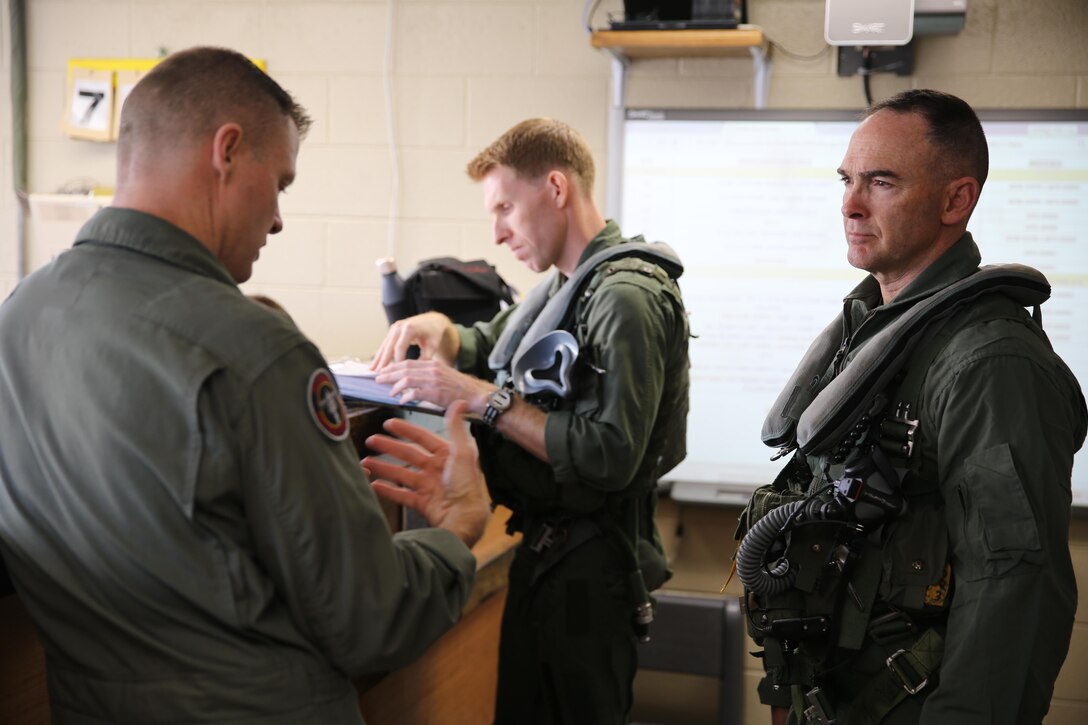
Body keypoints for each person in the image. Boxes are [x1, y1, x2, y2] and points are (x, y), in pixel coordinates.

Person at [0, 46, 491, 724]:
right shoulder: (254, 351)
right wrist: (456, 528)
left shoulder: (19, 316)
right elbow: (369, 616)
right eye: (281, 182)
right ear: (227, 150)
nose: (280, 218)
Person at [736, 89, 1086, 725]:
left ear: (957, 199)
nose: (849, 204)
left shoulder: (989, 363)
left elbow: (1015, 591)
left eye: (881, 182)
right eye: (846, 179)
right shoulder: (879, 332)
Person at [369, 118, 691, 724]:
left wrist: (482, 397)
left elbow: (610, 454)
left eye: (506, 209)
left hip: (593, 573)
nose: (497, 234)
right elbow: (488, 342)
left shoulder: (625, 295)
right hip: (544, 558)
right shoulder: (563, 286)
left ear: (556, 188)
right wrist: (436, 327)